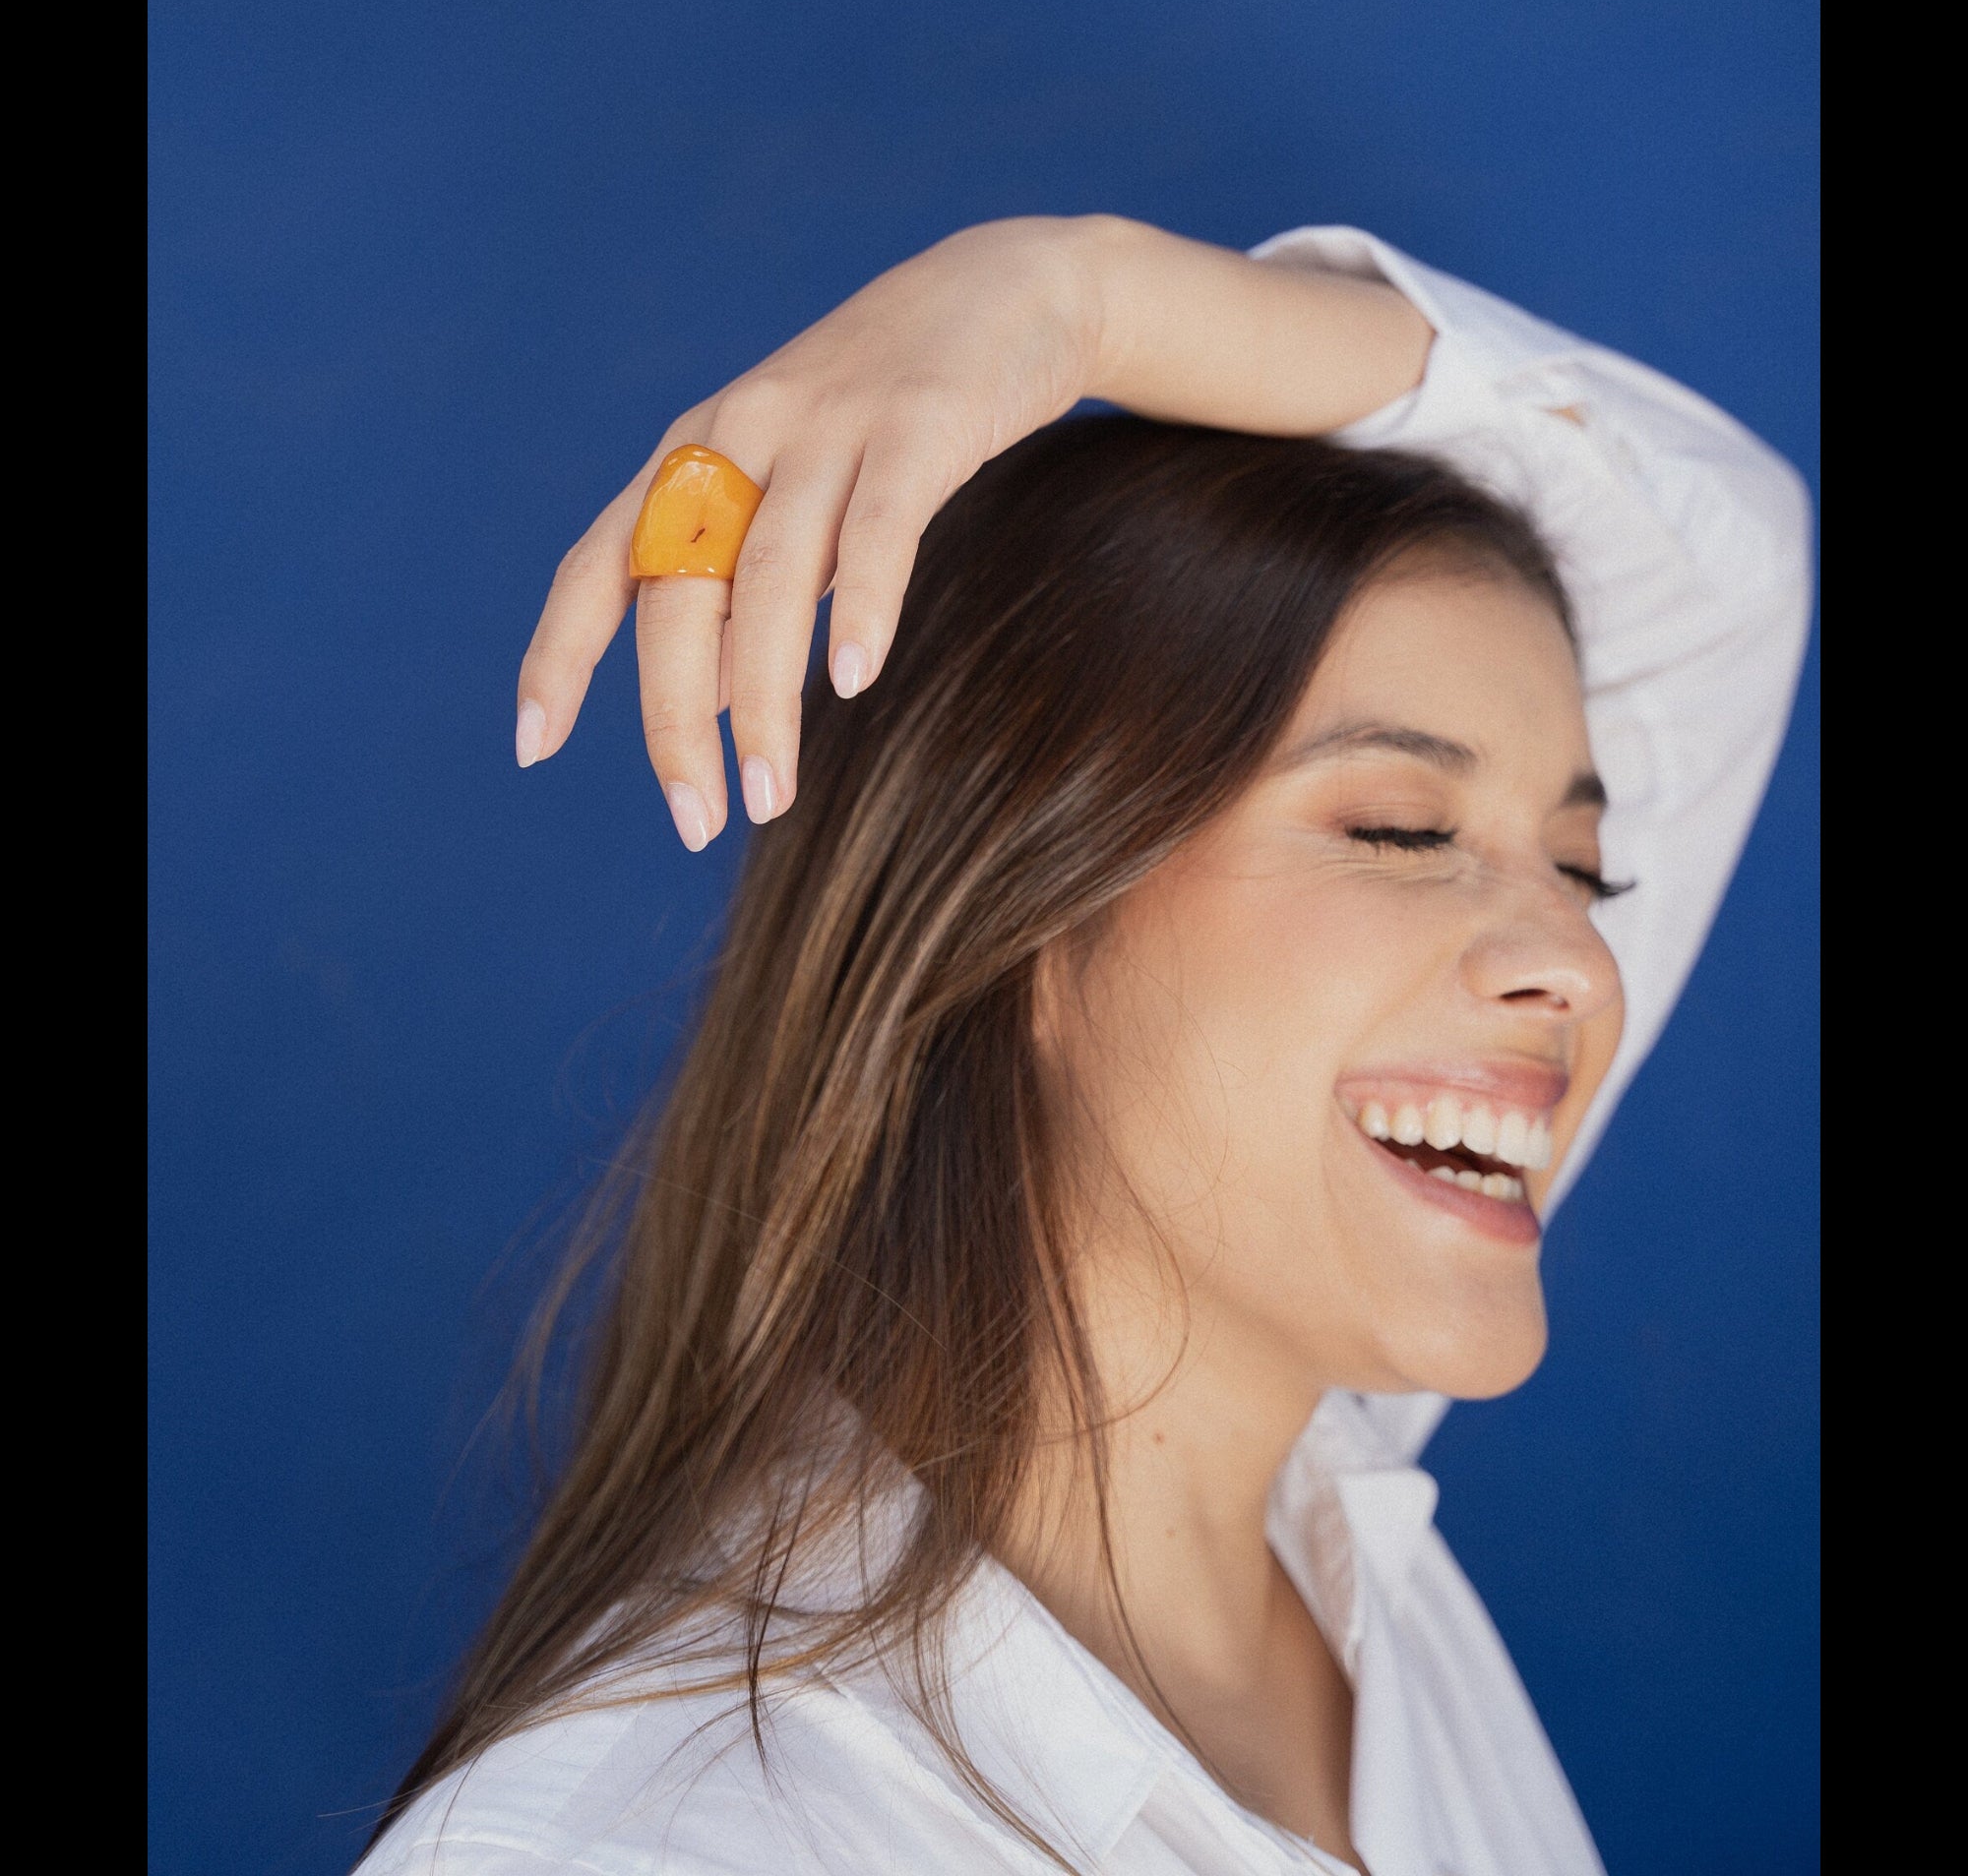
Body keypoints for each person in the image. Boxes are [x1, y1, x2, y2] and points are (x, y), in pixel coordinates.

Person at [361, 218, 1811, 1875]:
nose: (1576, 961)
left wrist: (1075, 294)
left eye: (1583, 865)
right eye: (1405, 830)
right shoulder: (664, 1843)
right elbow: (1715, 548)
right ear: (1029, 922)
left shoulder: (1329, 1546)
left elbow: (1714, 547)